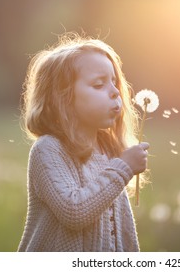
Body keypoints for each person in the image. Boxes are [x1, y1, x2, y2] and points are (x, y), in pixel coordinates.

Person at [18, 32, 149, 252]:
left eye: (114, 82)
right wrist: (123, 168)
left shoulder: (109, 149)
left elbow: (122, 229)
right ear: (63, 98)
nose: (115, 92)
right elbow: (74, 211)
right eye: (99, 85)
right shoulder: (48, 150)